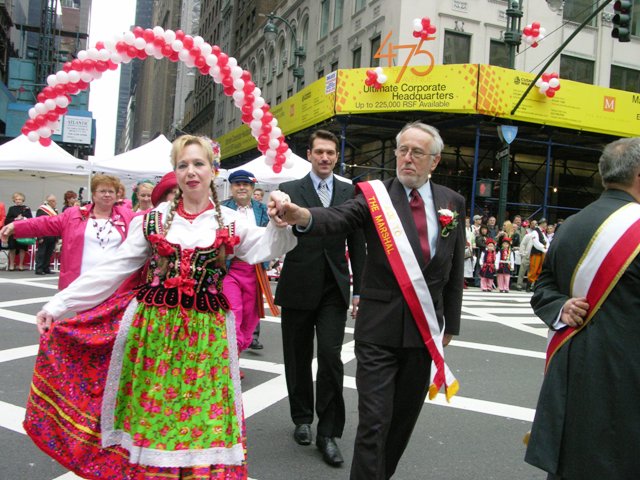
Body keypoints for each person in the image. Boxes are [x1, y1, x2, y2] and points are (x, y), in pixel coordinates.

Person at [20, 134, 297, 480]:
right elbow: (113, 269)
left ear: (213, 170)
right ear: (175, 172)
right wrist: (58, 305)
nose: (190, 172)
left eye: (198, 164)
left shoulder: (229, 221)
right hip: (154, 336)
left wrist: (281, 218)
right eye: (183, 165)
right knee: (155, 416)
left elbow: (269, 246)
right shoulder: (153, 219)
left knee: (201, 417)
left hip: (207, 339)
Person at [269, 121, 464, 479]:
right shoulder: (374, 196)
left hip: (424, 332)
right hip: (378, 331)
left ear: (434, 161)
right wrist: (304, 216)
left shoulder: (452, 202)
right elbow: (339, 216)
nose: (407, 158)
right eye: (402, 150)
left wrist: (450, 322)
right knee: (374, 422)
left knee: (401, 423)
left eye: (417, 152)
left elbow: (454, 268)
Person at [525, 137, 640, 478]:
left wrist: (561, 307)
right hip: (626, 376)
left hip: (570, 368)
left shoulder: (571, 225)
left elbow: (542, 286)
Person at [275, 129, 366, 467]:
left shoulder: (349, 191)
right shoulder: (289, 190)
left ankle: (328, 433)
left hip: (334, 288)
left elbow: (358, 243)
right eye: (319, 152)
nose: (325, 158)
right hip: (298, 283)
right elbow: (277, 234)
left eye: (330, 152)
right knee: (297, 356)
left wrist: (360, 290)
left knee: (330, 357)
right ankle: (302, 418)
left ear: (337, 156)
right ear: (309, 155)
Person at [1, 175, 136, 290]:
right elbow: (45, 223)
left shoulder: (127, 216)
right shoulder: (74, 214)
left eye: (111, 191)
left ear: (116, 195)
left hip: (114, 284)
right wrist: (16, 226)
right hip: (79, 283)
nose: (107, 195)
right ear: (94, 194)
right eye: (102, 191)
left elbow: (146, 222)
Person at [222, 169, 273, 353]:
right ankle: (230, 359)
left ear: (252, 188)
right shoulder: (221, 209)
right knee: (233, 314)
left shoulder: (264, 210)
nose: (242, 188)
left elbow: (272, 235)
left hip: (255, 270)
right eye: (238, 184)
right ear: (231, 187)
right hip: (229, 269)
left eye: (246, 184)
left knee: (250, 318)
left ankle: (236, 357)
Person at [4, 192, 33, 270]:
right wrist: (15, 219)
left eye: (20, 199)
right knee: (12, 248)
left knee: (22, 248)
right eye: (16, 199)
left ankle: (20, 265)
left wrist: (23, 218)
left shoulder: (26, 208)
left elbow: (30, 219)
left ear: (23, 200)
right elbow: (6, 221)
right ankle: (11, 265)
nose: (18, 201)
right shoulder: (11, 208)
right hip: (12, 231)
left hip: (23, 230)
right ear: (14, 200)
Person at [34, 194, 59, 275]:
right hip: (44, 235)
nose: (55, 203)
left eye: (55, 201)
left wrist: (57, 237)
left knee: (49, 253)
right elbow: (38, 224)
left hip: (53, 234)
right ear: (49, 202)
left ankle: (46, 268)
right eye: (53, 201)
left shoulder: (55, 211)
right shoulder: (41, 210)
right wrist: (39, 237)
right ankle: (39, 268)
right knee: (41, 253)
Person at [527, 218, 548, 291]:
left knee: (539, 270)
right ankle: (528, 286)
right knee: (533, 269)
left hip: (542, 253)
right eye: (545, 224)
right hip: (536, 253)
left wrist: (546, 248)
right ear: (542, 224)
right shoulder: (535, 232)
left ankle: (535, 286)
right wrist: (544, 249)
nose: (546, 225)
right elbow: (536, 243)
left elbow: (547, 242)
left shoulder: (543, 233)